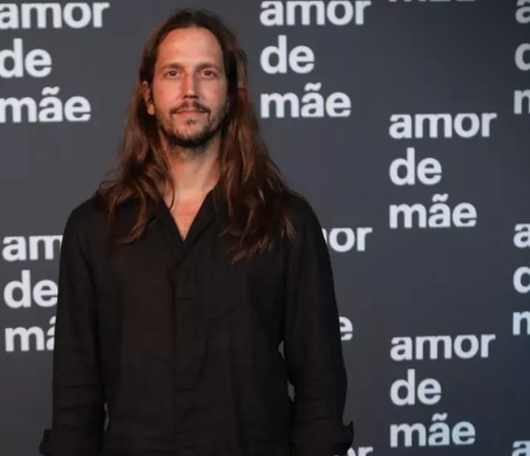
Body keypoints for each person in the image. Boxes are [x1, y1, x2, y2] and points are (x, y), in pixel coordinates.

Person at [39, 7, 354, 456]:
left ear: (230, 94)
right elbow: (75, 401)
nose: (190, 91)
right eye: (173, 73)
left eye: (207, 72)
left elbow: (321, 391)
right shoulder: (93, 229)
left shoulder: (287, 222)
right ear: (148, 96)